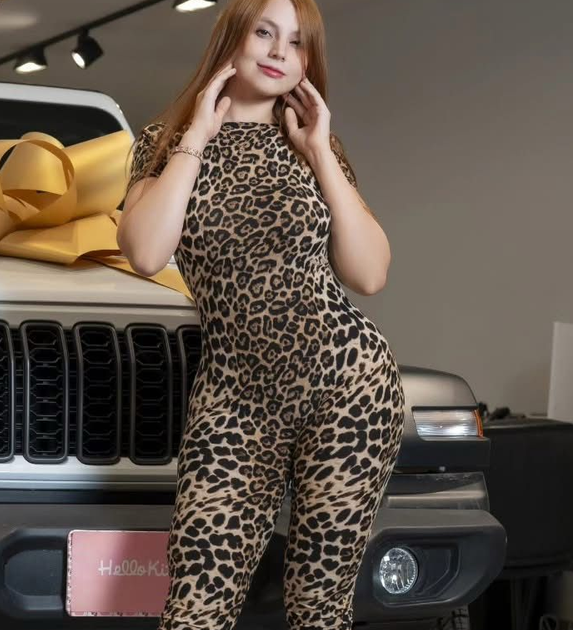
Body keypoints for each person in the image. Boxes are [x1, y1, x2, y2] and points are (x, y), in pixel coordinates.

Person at [115, 0, 407, 627]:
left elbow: (370, 273)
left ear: (309, 61)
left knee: (317, 605)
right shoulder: (164, 142)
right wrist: (195, 137)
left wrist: (321, 151)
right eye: (265, 33)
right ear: (232, 38)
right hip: (234, 398)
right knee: (195, 604)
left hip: (346, 385)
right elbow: (144, 252)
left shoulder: (313, 146)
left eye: (297, 43)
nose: (279, 52)